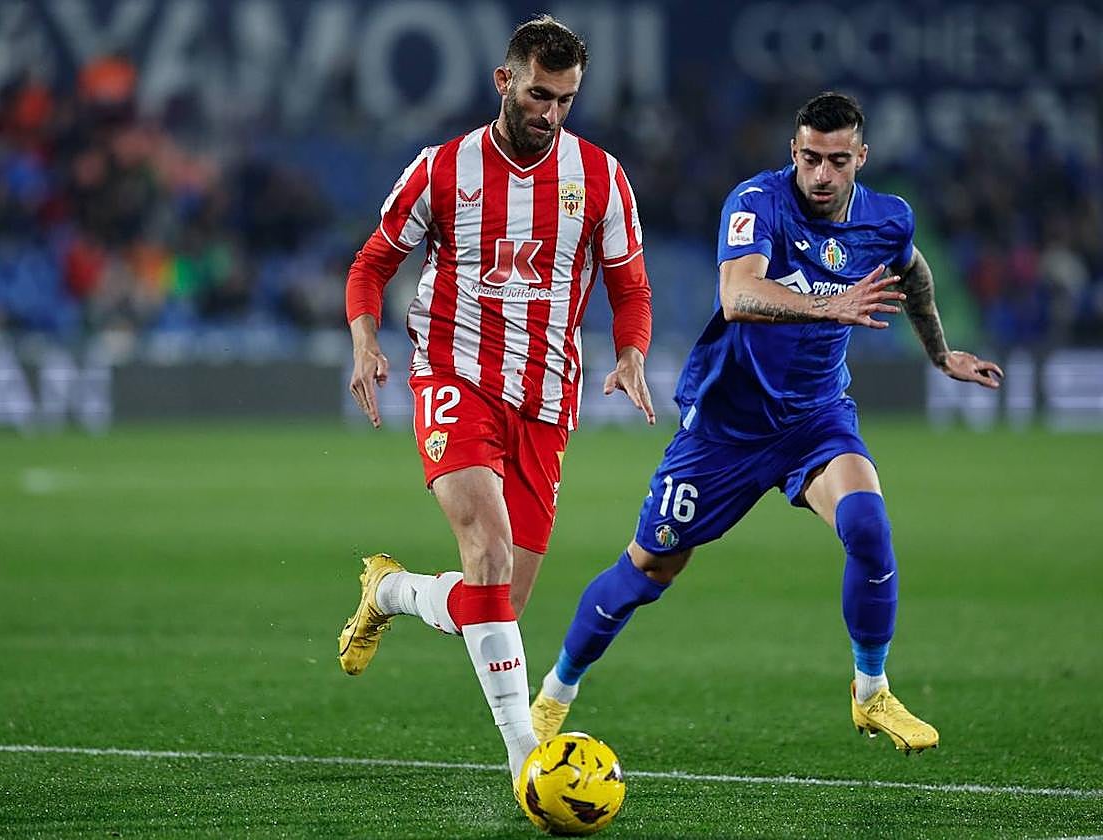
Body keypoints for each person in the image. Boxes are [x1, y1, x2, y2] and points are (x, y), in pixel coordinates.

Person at [529, 91, 1005, 755]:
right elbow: (738, 294)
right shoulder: (757, 203)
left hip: (815, 419)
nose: (822, 175)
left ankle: (871, 692)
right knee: (649, 570)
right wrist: (829, 305)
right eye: (810, 158)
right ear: (794, 152)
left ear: (860, 158)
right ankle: (556, 692)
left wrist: (940, 352)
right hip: (726, 429)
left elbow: (914, 273)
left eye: (838, 161)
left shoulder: (886, 219)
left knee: (868, 527)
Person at [338, 15, 656, 786]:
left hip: (547, 399)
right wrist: (366, 340)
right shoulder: (442, 169)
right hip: (454, 375)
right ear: (503, 81)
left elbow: (630, 287)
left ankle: (390, 590)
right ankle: (528, 763)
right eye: (539, 94)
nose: (550, 114)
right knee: (488, 549)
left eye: (567, 100)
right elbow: (370, 264)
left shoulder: (602, 178)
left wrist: (633, 355)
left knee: (498, 600)